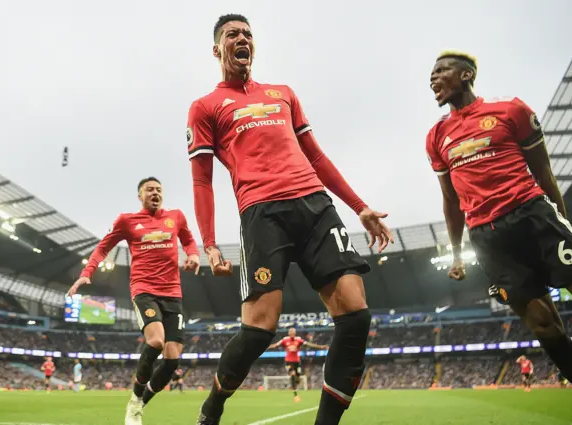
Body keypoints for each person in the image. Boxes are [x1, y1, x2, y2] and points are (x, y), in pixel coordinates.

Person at [187, 14, 392, 425]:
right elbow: (203, 181)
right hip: (262, 214)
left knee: (356, 314)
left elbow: (315, 156)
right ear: (216, 49)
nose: (241, 38)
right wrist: (209, 243)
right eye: (232, 34)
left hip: (315, 205)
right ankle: (213, 406)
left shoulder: (283, 94)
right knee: (259, 330)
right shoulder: (205, 107)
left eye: (247, 33)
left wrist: (359, 206)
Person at [426, 50, 572, 395]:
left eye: (441, 71)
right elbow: (451, 201)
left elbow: (543, 172)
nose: (433, 78)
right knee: (544, 327)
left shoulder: (511, 110)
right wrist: (456, 253)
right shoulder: (436, 136)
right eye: (431, 74)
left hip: (532, 215)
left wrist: (561, 221)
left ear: (466, 75)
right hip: (487, 237)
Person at [67, 177, 200, 425]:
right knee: (157, 341)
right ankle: (135, 399)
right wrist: (86, 274)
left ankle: (140, 402)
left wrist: (193, 255)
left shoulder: (176, 216)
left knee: (172, 361)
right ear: (140, 196)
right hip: (144, 289)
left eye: (159, 189)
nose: (155, 193)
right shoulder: (127, 221)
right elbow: (103, 247)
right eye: (149, 190)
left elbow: (189, 241)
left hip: (172, 293)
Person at [267, 328, 329, 402]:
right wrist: (265, 347)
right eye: (291, 332)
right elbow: (275, 345)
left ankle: (295, 385)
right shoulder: (285, 340)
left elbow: (308, 344)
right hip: (288, 361)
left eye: (294, 332)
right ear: (289, 333)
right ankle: (295, 394)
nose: (292, 334)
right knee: (293, 374)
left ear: (295, 333)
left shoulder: (298, 340)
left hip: (296, 361)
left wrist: (321, 347)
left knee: (297, 377)